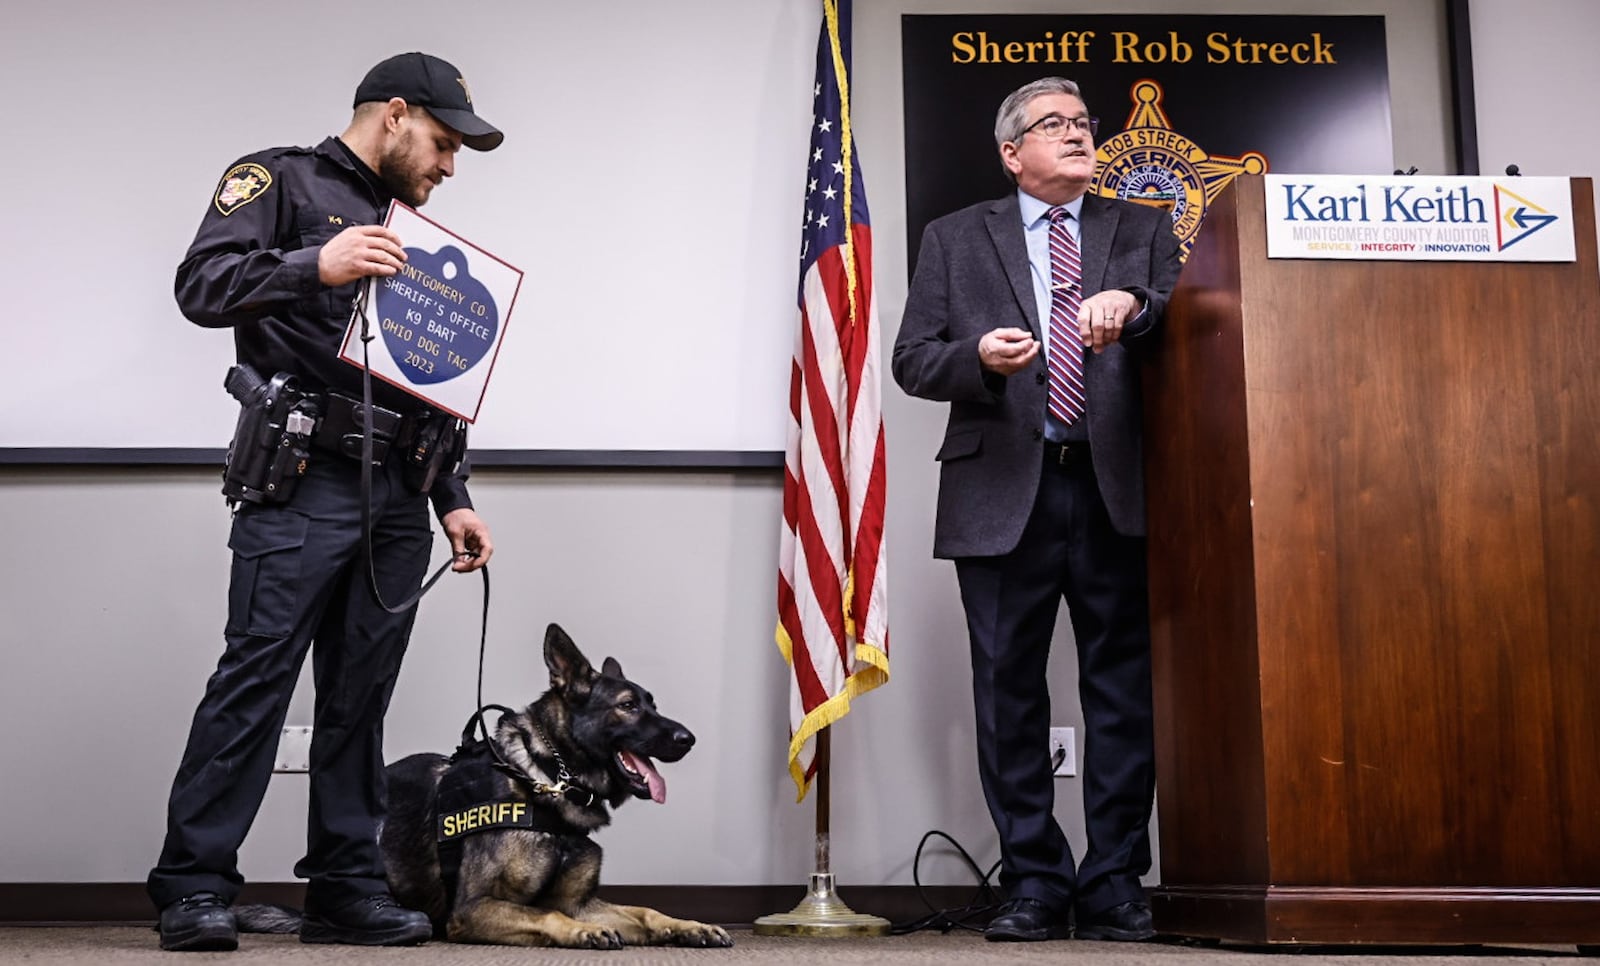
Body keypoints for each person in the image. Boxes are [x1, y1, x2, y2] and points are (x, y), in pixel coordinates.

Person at [148, 52, 502, 952]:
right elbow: (200, 286)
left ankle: (346, 885)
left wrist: (452, 498)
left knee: (360, 698)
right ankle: (193, 887)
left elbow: (424, 379)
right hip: (303, 481)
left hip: (400, 495)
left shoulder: (415, 232)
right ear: (393, 114)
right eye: (443, 142)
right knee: (253, 686)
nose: (450, 166)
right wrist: (317, 263)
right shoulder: (275, 179)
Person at [892, 76, 1182, 943]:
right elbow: (913, 359)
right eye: (1053, 125)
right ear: (1012, 152)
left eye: (1083, 123)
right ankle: (1032, 880)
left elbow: (1185, 323)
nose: (1078, 134)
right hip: (1000, 490)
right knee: (1007, 694)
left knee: (1122, 694)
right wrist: (978, 357)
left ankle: (1116, 881)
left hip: (1115, 486)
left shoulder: (1141, 227)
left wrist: (1134, 307)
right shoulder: (954, 237)